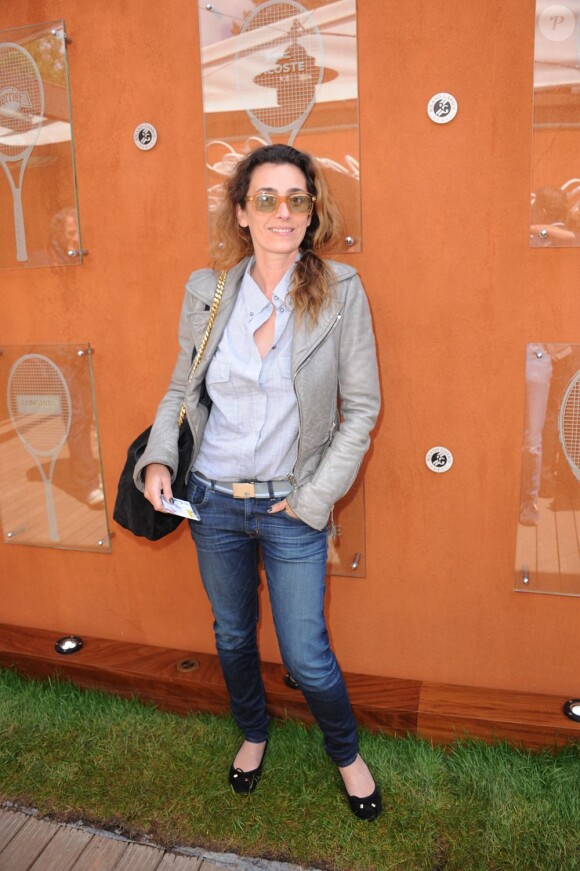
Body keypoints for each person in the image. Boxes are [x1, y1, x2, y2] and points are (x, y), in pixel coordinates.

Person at [134, 144, 381, 820]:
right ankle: (252, 731)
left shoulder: (341, 291)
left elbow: (361, 409)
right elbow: (183, 388)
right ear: (241, 211)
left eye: (296, 199)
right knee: (234, 634)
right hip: (212, 500)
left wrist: (314, 499)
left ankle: (346, 752)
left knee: (305, 650)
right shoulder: (208, 292)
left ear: (311, 212)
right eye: (266, 198)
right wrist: (159, 458)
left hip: (292, 504)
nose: (282, 212)